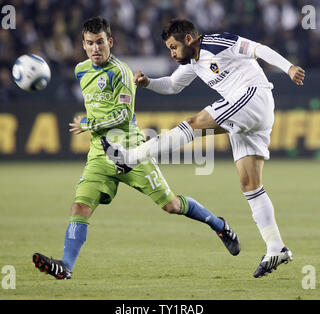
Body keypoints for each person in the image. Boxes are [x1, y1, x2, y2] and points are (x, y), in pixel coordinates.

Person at [32, 17, 240, 280]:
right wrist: (93, 128)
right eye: (89, 43)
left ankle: (219, 225)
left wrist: (89, 123)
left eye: (100, 42)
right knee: (80, 207)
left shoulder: (121, 72)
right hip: (99, 154)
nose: (95, 48)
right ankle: (66, 266)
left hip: (131, 153)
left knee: (172, 205)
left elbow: (121, 115)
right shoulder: (80, 71)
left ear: (110, 42)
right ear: (83, 46)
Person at [102, 19, 306, 278]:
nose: (172, 53)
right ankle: (276, 247)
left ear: (189, 39)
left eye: (174, 47)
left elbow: (258, 49)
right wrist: (149, 83)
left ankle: (130, 158)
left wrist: (288, 68)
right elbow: (173, 86)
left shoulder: (217, 43)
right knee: (250, 185)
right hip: (250, 114)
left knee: (194, 124)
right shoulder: (193, 63)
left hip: (252, 96)